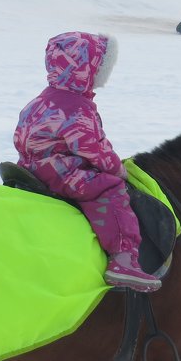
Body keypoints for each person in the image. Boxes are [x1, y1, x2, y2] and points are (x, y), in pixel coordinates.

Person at [13, 32, 162, 293]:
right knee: (109, 189)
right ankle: (123, 258)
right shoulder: (76, 108)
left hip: (30, 167)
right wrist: (119, 170)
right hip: (60, 173)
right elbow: (95, 150)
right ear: (86, 69)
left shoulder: (39, 100)